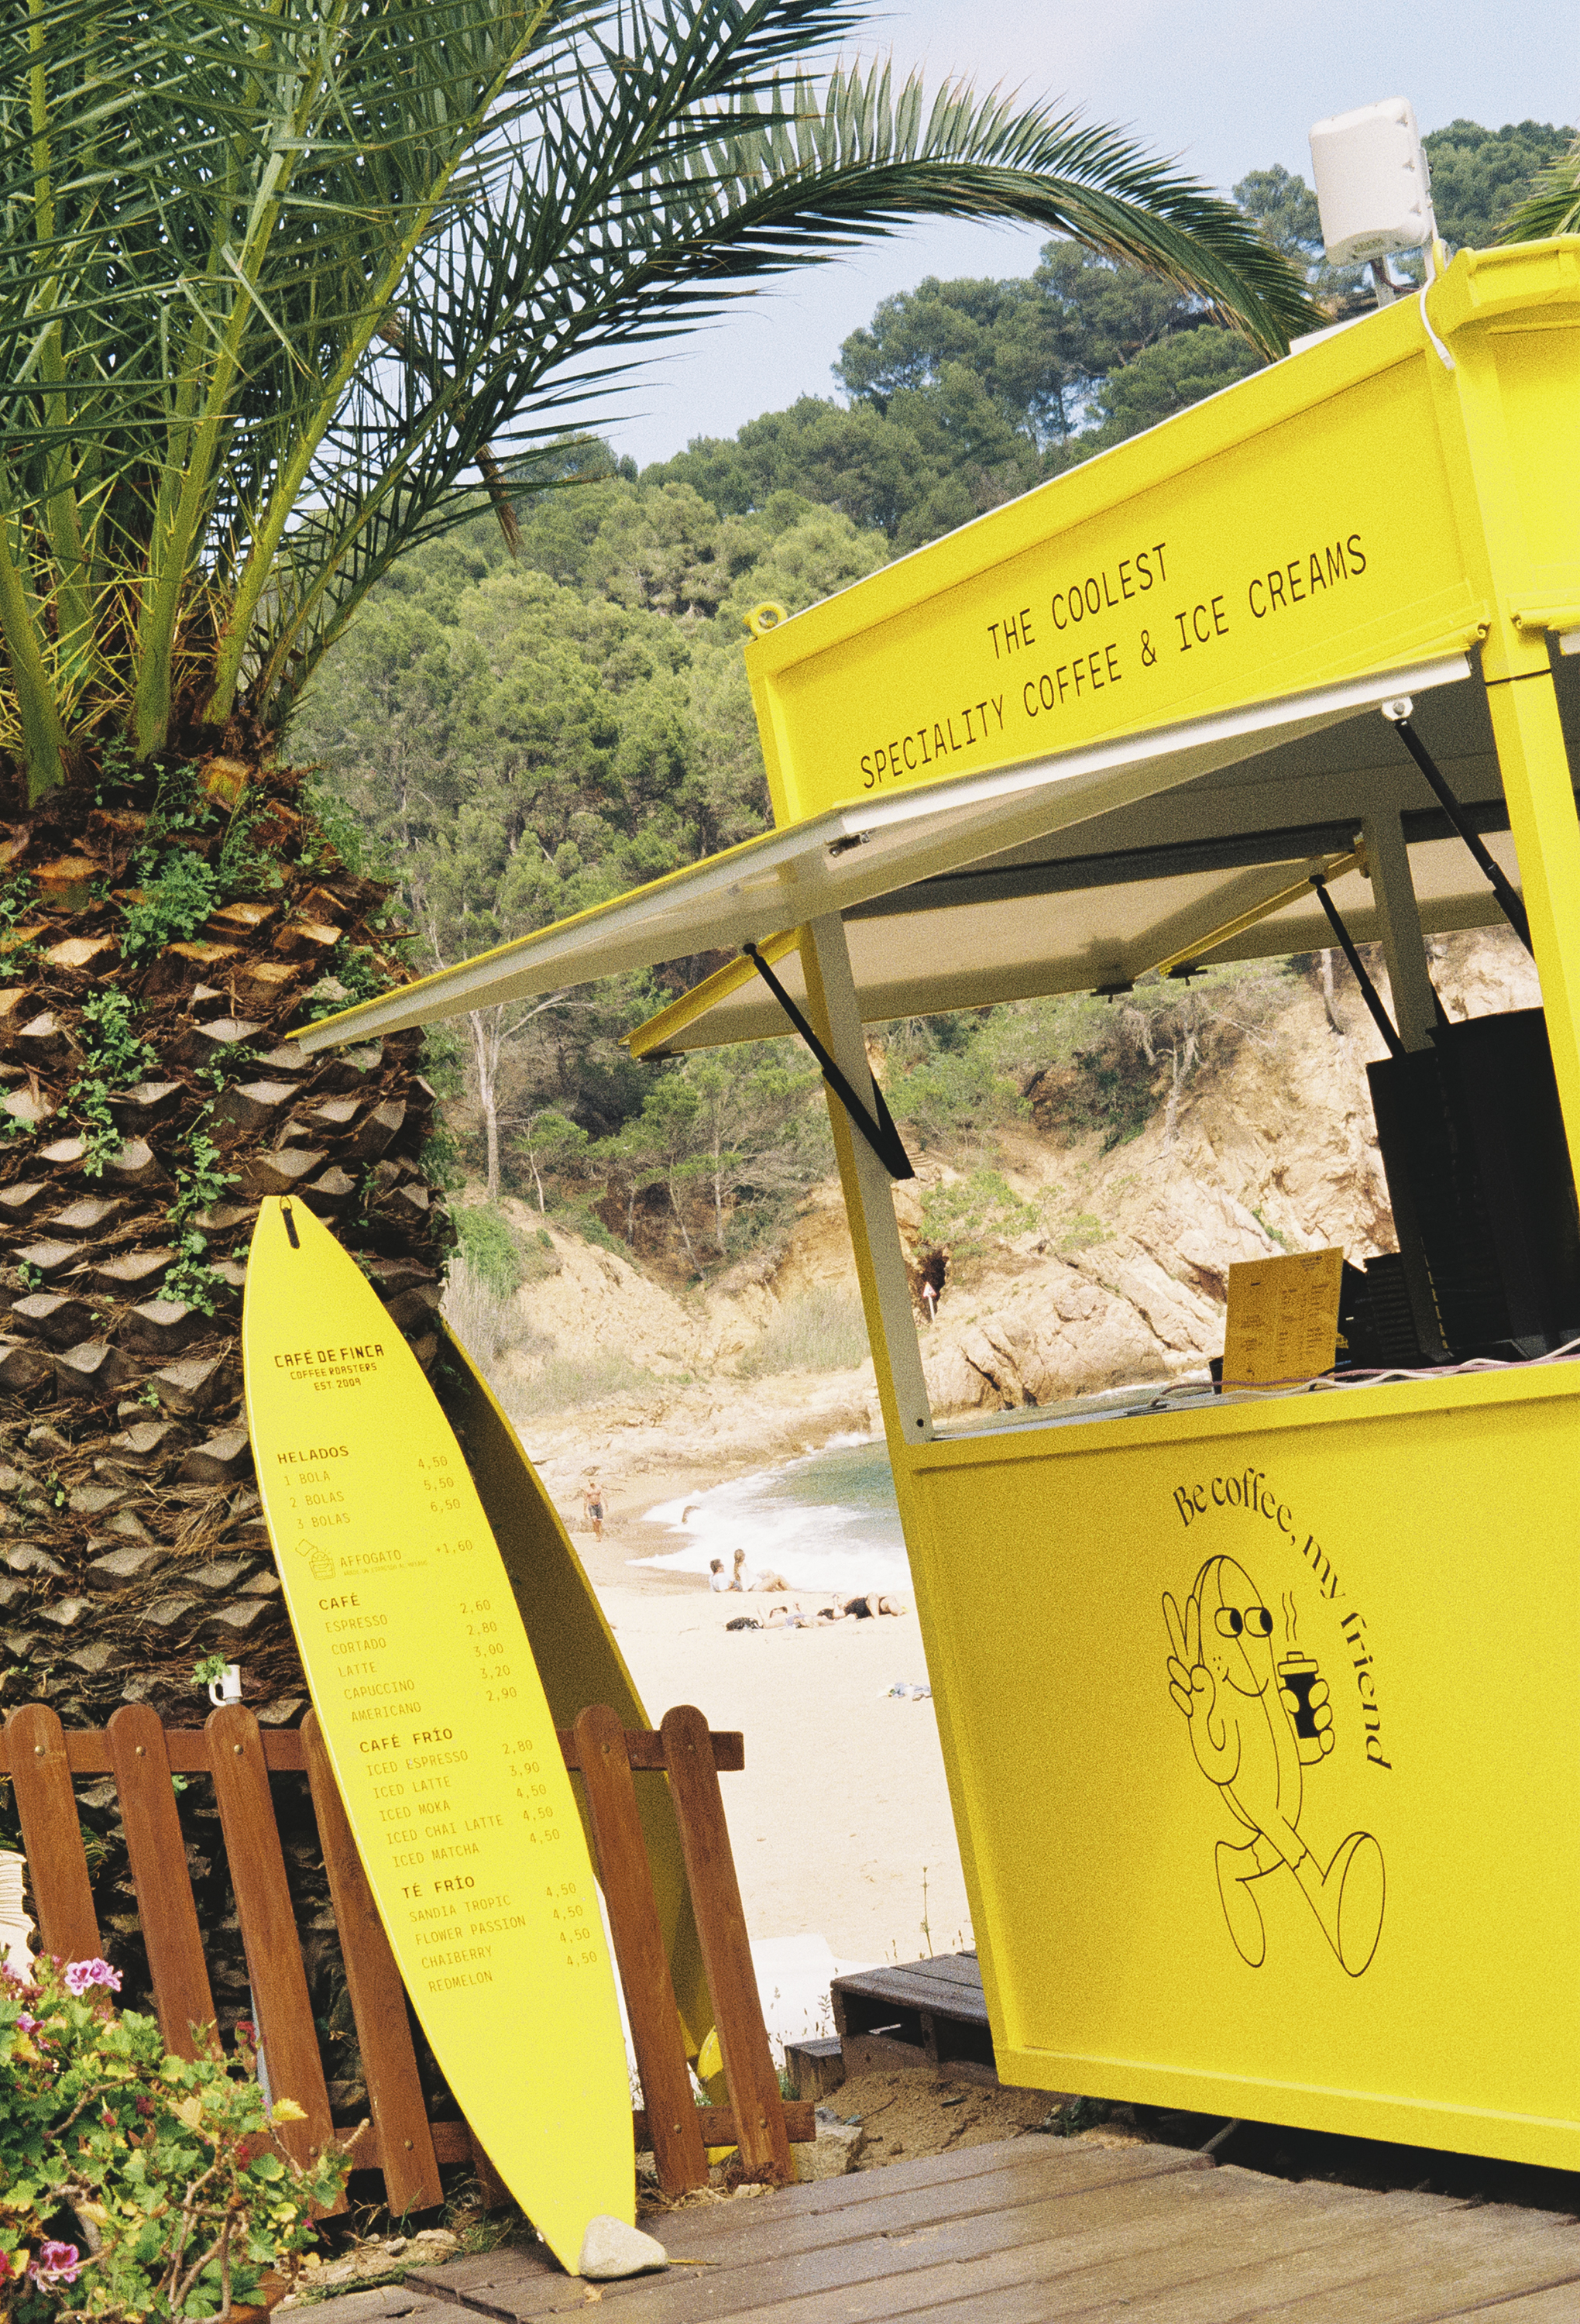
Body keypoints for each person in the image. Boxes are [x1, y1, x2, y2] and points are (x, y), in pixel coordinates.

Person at [578, 1473, 605, 1541]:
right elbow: (585, 1500)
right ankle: (597, 1535)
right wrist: (584, 1511)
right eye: (591, 1481)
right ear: (589, 1482)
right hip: (592, 1506)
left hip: (599, 1505)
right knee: (594, 1520)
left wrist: (606, 1505)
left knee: (599, 1521)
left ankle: (600, 1534)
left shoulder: (598, 1488)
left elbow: (603, 1496)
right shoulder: (587, 1490)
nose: (592, 1483)